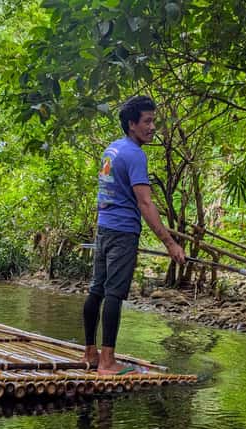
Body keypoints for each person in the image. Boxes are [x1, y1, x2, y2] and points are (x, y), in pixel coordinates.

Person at [83, 96, 186, 375]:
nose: (153, 127)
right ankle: (107, 362)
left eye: (154, 121)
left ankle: (90, 353)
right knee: (114, 294)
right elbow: (145, 203)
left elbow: (111, 194)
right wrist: (170, 243)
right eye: (147, 121)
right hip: (122, 232)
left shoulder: (111, 150)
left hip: (104, 228)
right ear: (131, 124)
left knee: (97, 289)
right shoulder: (135, 155)